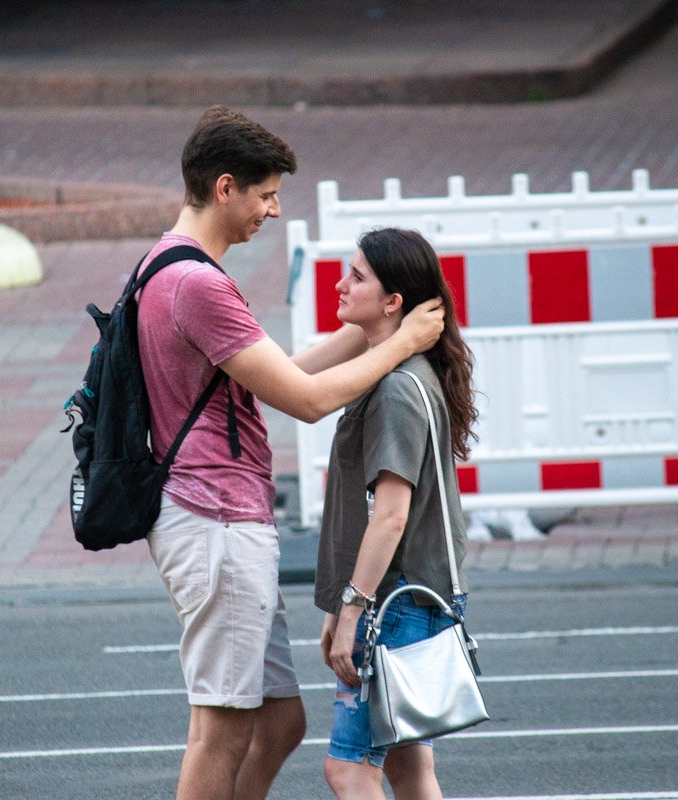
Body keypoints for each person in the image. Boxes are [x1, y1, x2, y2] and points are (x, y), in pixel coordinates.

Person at [135, 107, 446, 800]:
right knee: (220, 726)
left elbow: (283, 373)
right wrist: (398, 344)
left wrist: (374, 330)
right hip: (213, 518)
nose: (273, 211)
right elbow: (304, 401)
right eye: (266, 194)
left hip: (217, 515)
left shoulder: (169, 264)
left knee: (278, 721)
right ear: (225, 188)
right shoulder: (199, 284)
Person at [314, 227, 478, 800]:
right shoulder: (395, 371)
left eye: (357, 276)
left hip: (398, 602)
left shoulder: (396, 390)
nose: (340, 283)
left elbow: (389, 516)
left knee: (350, 767)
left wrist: (353, 609)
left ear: (393, 303)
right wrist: (344, 602)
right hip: (408, 595)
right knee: (409, 767)